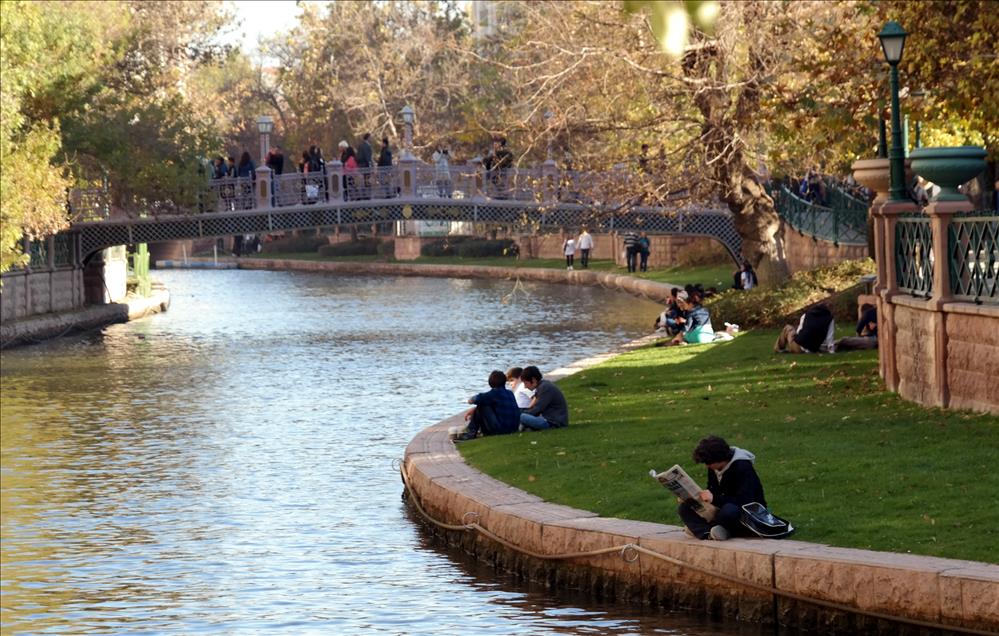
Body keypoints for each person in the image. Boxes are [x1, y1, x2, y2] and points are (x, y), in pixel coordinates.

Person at [677, 435, 766, 541]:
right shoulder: (714, 467)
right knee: (685, 508)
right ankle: (709, 532)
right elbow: (713, 491)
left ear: (720, 459)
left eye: (708, 463)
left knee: (729, 511)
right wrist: (692, 497)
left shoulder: (742, 467)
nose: (707, 466)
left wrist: (714, 499)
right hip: (721, 507)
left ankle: (706, 529)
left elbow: (745, 501)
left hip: (746, 512)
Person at [455, 370, 521, 441]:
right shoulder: (510, 393)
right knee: (484, 403)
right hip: (514, 428)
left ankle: (470, 433)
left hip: (501, 430)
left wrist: (471, 402)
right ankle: (475, 431)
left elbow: (472, 400)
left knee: (482, 404)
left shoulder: (493, 393)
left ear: (490, 382)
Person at [519, 366, 569, 431]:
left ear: (533, 380)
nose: (525, 386)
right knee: (520, 414)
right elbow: (533, 408)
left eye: (526, 383)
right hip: (551, 420)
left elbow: (537, 410)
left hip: (553, 422)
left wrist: (519, 413)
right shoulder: (542, 386)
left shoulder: (545, 388)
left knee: (520, 416)